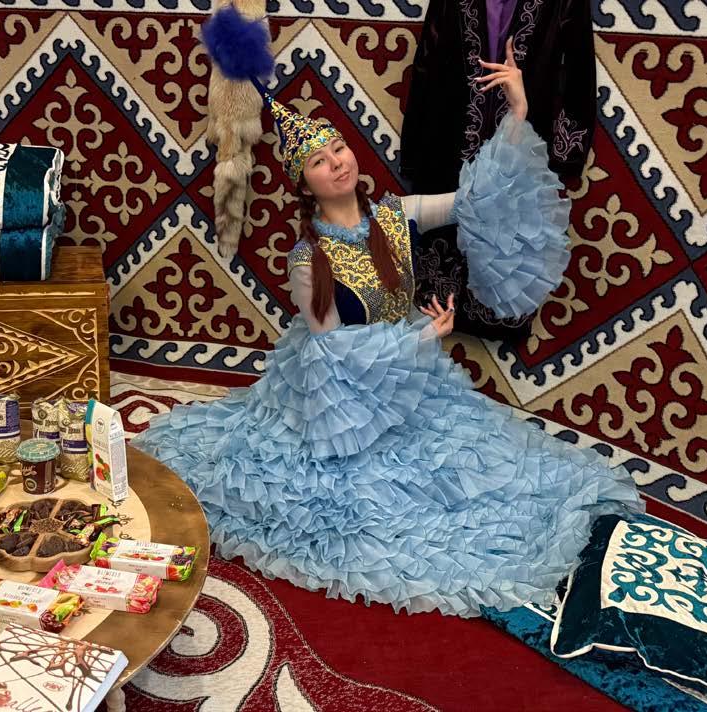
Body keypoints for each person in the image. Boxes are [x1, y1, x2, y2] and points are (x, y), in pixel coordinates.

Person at [131, 10, 643, 617]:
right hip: (340, 409)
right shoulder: (307, 261)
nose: (338, 162)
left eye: (339, 148)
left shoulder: (396, 215)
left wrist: (519, 111)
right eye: (320, 161)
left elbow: (478, 198)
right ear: (305, 183)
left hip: (410, 385)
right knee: (376, 512)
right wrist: (420, 339)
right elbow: (332, 356)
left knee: (488, 469)